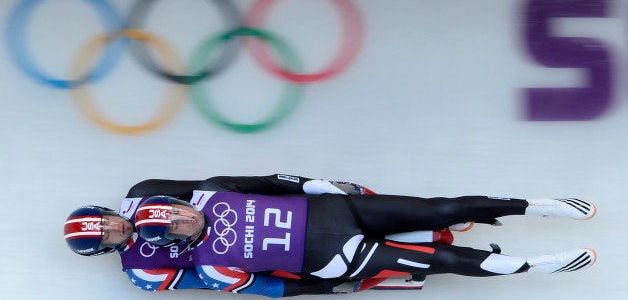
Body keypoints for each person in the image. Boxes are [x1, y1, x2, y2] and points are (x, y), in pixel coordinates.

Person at [134, 186, 597, 297]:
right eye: (175, 223)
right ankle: (533, 265)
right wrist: (329, 289)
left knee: (441, 208)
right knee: (444, 258)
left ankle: (532, 206)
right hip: (335, 257)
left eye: (176, 208)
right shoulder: (213, 267)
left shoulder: (215, 192)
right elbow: (273, 290)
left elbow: (269, 181)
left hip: (339, 211)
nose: (183, 216)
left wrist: (321, 184)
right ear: (173, 238)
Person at [64, 174, 450, 295]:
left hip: (266, 219)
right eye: (105, 236)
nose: (114, 227)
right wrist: (312, 291)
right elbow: (218, 282)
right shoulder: (140, 271)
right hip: (253, 257)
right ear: (104, 250)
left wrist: (309, 186)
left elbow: (213, 190)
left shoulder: (143, 192)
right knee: (330, 269)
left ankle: (418, 224)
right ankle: (389, 269)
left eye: (105, 219)